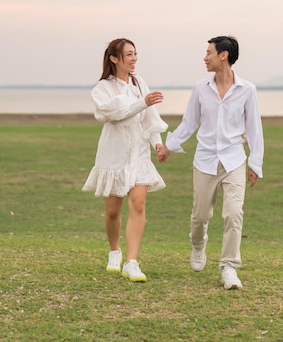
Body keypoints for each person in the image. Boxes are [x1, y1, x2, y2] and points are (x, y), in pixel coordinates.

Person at [157, 35, 264, 290]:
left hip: (234, 160)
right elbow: (189, 123)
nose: (205, 57)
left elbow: (254, 129)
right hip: (205, 160)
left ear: (223, 55)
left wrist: (255, 164)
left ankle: (229, 267)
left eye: (209, 53)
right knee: (200, 215)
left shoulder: (247, 90)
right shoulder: (200, 88)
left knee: (233, 214)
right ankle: (198, 244)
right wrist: (168, 147)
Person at [82, 38, 168, 282]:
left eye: (135, 53)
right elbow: (114, 114)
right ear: (114, 58)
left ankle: (132, 262)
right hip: (114, 155)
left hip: (139, 154)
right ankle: (114, 251)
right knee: (112, 211)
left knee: (139, 204)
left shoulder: (139, 83)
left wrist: (158, 143)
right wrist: (143, 102)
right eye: (128, 54)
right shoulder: (102, 89)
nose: (134, 58)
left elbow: (150, 117)